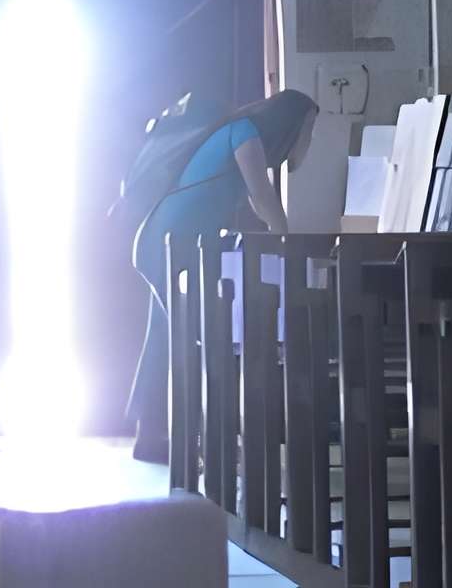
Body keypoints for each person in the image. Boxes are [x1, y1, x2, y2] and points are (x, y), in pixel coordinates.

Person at [120, 88, 318, 462]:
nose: (308, 136)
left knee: (167, 337)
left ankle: (153, 436)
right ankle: (201, 437)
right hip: (169, 242)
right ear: (289, 123)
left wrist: (280, 234)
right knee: (192, 339)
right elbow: (263, 197)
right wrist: (290, 246)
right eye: (308, 127)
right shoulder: (245, 132)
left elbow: (258, 203)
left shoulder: (241, 132)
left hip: (163, 240)